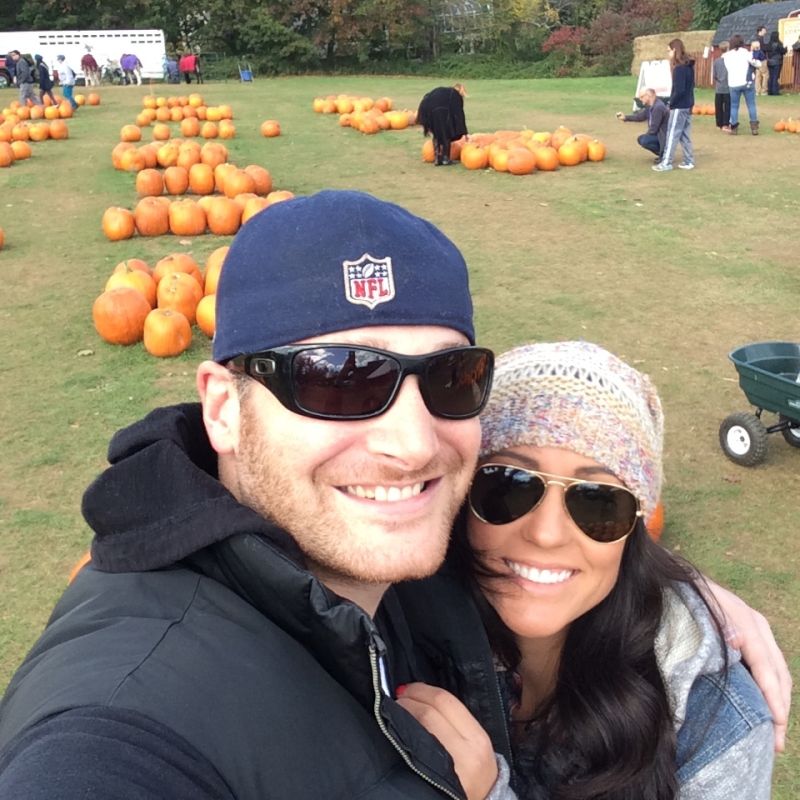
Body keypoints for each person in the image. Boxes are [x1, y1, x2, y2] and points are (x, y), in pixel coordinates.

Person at [0, 192, 790, 797]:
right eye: (341, 379)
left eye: (449, 378)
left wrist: (681, 599)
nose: (412, 445)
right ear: (222, 409)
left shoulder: (402, 557)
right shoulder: (121, 723)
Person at [401, 341, 775, 799]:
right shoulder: (400, 614)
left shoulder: (717, 728)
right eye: (509, 485)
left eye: (597, 502)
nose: (546, 534)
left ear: (634, 529)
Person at [653, 38, 695, 172]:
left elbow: (679, 90)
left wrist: (671, 103)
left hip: (679, 106)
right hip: (687, 105)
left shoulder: (679, 69)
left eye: (669, 51)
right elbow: (690, 88)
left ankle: (666, 162)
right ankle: (689, 161)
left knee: (672, 134)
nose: (668, 54)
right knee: (684, 134)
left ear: (675, 50)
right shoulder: (689, 67)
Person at [417, 83, 468, 166]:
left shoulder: (446, 92)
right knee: (447, 132)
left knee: (437, 132)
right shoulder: (455, 95)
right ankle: (445, 159)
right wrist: (463, 131)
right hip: (437, 109)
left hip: (426, 107)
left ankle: (437, 158)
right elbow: (459, 114)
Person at [615, 87, 668, 162]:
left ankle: (665, 154)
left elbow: (654, 128)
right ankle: (663, 154)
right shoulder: (650, 106)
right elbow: (640, 117)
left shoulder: (658, 107)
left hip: (663, 137)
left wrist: (647, 135)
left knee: (645, 140)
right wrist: (625, 117)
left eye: (641, 97)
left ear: (648, 96)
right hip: (659, 135)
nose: (640, 99)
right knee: (641, 139)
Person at [722, 35, 760, 135]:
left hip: (733, 83)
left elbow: (727, 68)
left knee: (734, 106)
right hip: (746, 82)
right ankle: (754, 127)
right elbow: (756, 63)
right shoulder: (745, 52)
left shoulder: (727, 55)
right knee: (751, 104)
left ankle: (734, 127)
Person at [712, 41, 731, 130]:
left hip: (719, 87)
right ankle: (725, 123)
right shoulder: (730, 61)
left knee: (718, 106)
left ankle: (719, 123)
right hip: (728, 87)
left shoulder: (716, 61)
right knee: (727, 106)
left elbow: (714, 75)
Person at [765, 31, 787, 95]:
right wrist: (786, 49)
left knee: (771, 76)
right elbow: (783, 51)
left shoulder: (768, 44)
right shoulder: (779, 44)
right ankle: (775, 91)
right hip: (777, 62)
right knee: (775, 77)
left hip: (769, 62)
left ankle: (770, 91)